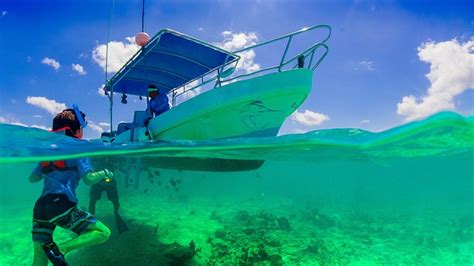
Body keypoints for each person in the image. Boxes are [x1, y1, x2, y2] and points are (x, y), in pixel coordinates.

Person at [29, 105, 114, 266]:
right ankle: (61, 249)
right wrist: (104, 172)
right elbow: (89, 179)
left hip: (40, 208)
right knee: (102, 232)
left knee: (39, 259)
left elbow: (33, 178)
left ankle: (52, 250)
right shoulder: (79, 149)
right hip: (61, 206)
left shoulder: (49, 152)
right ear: (77, 131)